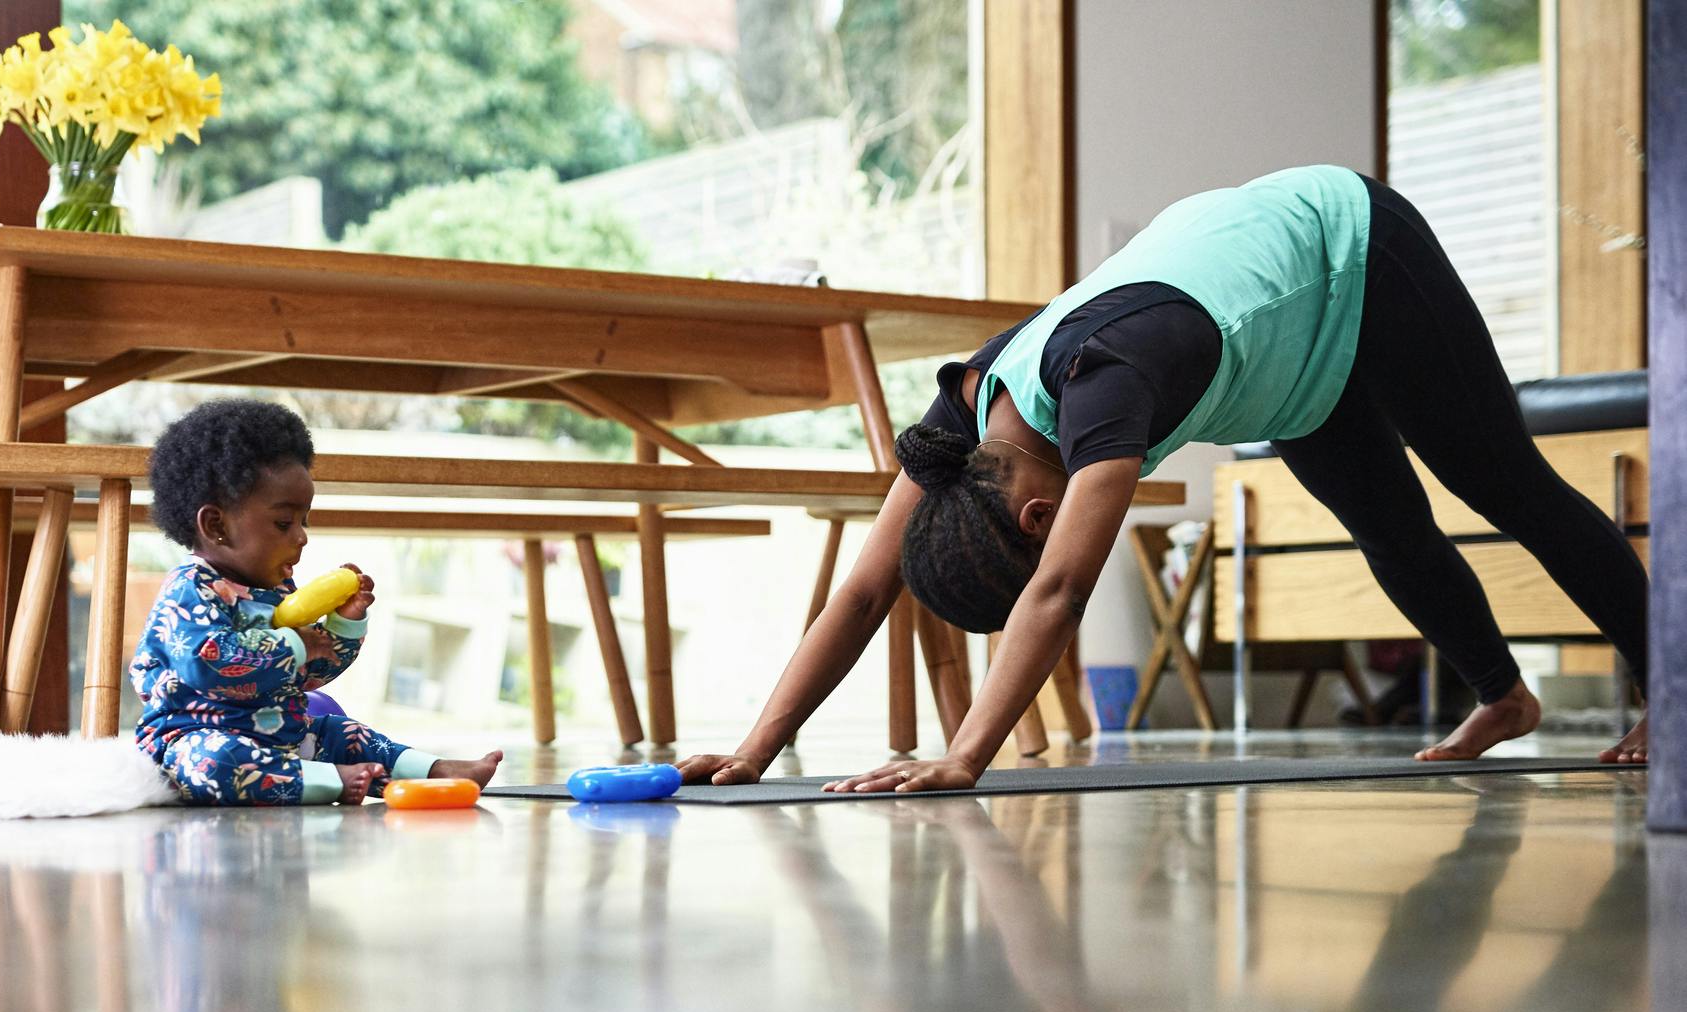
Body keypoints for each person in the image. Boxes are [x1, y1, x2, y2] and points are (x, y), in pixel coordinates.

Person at [679, 165, 1649, 794]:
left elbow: (1057, 590)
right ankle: (1503, 696)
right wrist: (757, 749)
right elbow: (860, 588)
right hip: (1279, 359)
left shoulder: (1106, 382)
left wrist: (962, 757)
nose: (1055, 547)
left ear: (1037, 511)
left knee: (1502, 484)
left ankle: (1674, 694)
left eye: (1041, 541)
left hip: (1346, 251)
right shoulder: (962, 425)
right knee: (1387, 525)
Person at [131, 399, 501, 805]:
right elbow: (208, 662)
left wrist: (345, 625)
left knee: (343, 732)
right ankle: (330, 781)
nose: (302, 537)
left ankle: (432, 770)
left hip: (280, 734)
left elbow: (307, 675)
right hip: (193, 737)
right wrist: (295, 644)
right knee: (214, 762)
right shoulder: (190, 588)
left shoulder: (274, 589)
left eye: (304, 521)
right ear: (216, 525)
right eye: (284, 523)